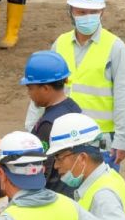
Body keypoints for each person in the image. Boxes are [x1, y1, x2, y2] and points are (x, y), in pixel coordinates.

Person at [27, 0, 125, 170]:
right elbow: (41, 88)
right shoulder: (60, 44)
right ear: (71, 11)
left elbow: (124, 95)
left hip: (100, 142)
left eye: (93, 12)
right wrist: (30, 129)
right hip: (63, 139)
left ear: (102, 12)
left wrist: (122, 139)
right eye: (81, 12)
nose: (87, 17)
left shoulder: (115, 47)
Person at [21, 50, 82, 194]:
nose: (29, 93)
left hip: (54, 194)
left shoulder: (48, 124)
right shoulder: (73, 107)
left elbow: (42, 169)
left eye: (30, 88)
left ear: (46, 88)